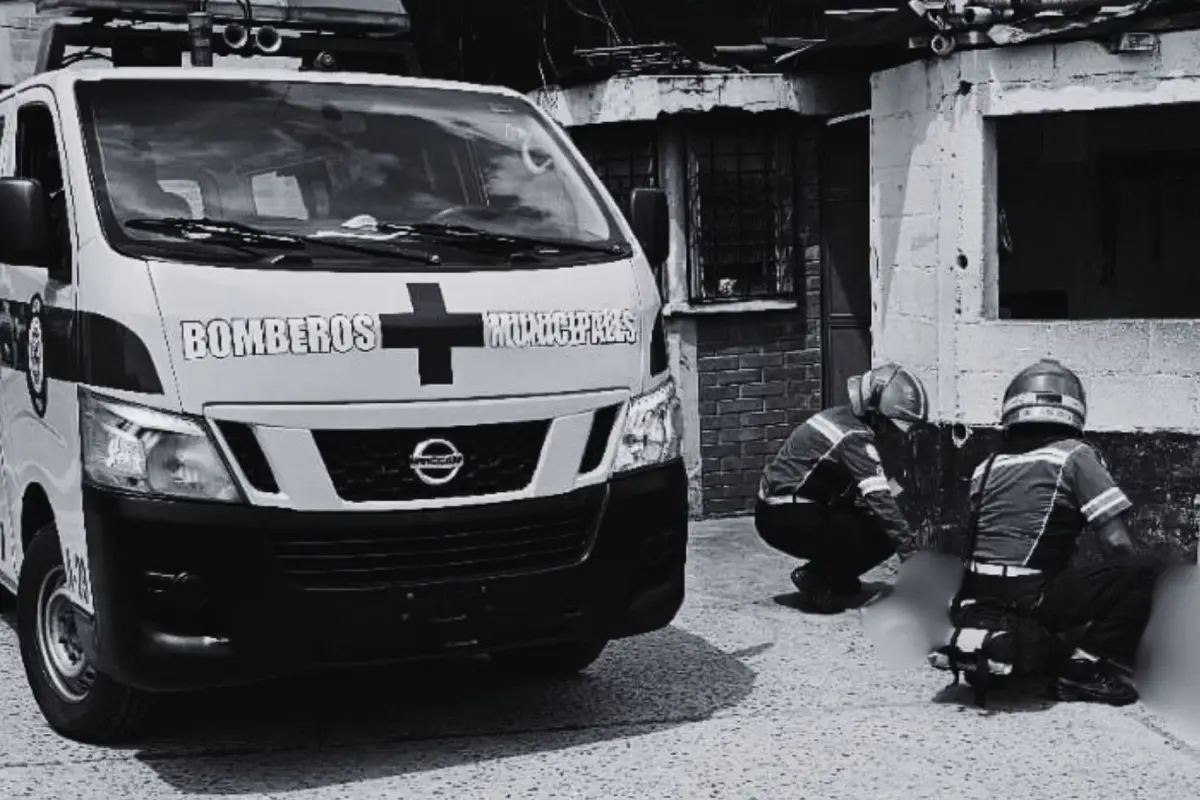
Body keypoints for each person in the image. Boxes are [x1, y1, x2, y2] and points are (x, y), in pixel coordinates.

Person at [960, 358, 1163, 706]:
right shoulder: (1074, 456)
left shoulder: (986, 466)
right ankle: (1083, 669)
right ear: (1074, 409)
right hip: (1031, 597)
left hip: (975, 598)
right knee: (1144, 571)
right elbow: (1116, 544)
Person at [754, 362, 929, 614]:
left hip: (781, 509)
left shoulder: (843, 419)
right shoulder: (854, 437)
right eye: (892, 427)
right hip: (784, 514)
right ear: (875, 414)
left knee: (870, 524)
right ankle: (817, 576)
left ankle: (834, 576)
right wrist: (913, 560)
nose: (897, 435)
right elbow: (882, 503)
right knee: (881, 529)